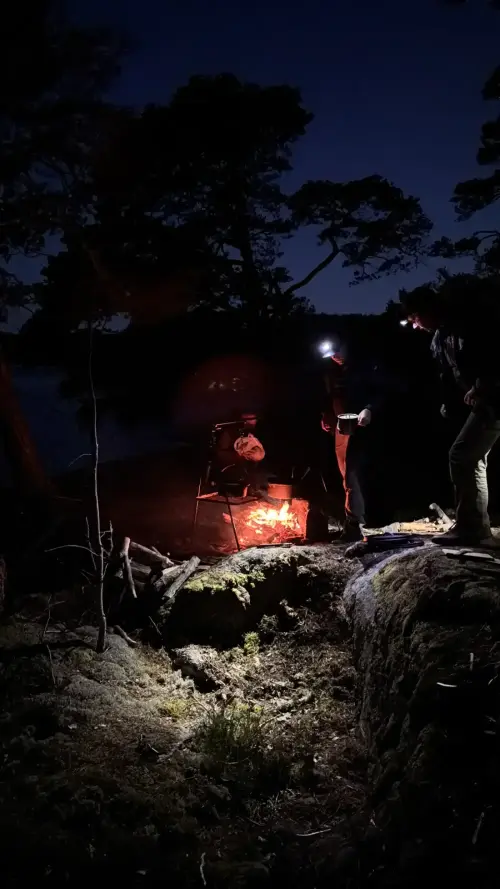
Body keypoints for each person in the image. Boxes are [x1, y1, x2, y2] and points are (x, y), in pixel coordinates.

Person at [400, 285, 500, 546]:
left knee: (462, 455)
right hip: (480, 401)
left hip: (493, 398)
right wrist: (449, 401)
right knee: (471, 458)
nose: (415, 325)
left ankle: (472, 527)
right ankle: (475, 526)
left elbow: (491, 355)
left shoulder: (466, 323)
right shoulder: (439, 336)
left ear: (427, 310)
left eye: (415, 318)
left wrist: (481, 386)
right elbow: (447, 372)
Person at [320, 345, 384, 542]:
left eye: (338, 352)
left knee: (353, 476)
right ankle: (354, 524)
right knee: (346, 477)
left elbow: (382, 391)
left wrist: (369, 409)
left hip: (361, 427)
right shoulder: (331, 371)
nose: (335, 356)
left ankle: (356, 525)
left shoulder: (365, 367)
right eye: (331, 354)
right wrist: (326, 414)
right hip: (341, 428)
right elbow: (329, 395)